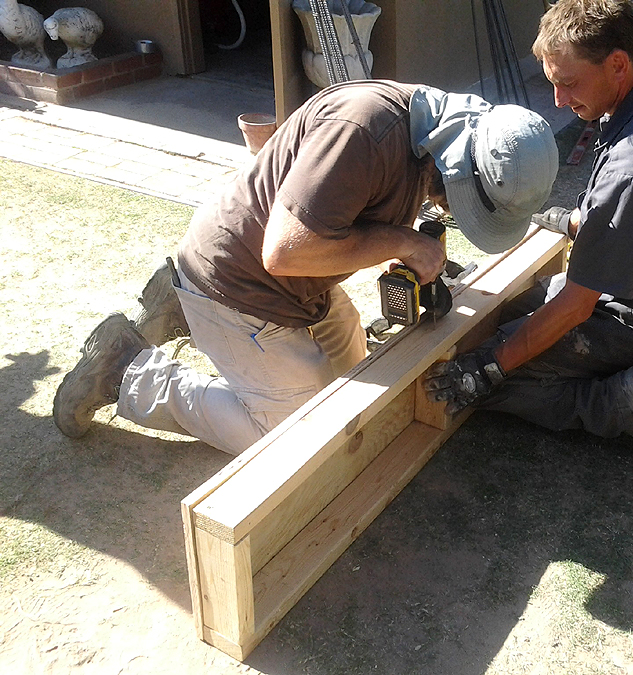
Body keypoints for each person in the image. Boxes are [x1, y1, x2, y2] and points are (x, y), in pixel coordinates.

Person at [53, 79, 559, 455]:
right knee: (292, 441)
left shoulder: (431, 134)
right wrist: (402, 240)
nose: (449, 210)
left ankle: (185, 308)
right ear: (458, 163)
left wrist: (403, 247)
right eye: (460, 202)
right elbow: (284, 253)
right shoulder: (363, 131)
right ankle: (127, 370)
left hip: (300, 286)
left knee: (354, 386)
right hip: (237, 279)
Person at [425, 0, 633, 473]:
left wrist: (490, 367)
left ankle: (621, 401)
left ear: (617, 64)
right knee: (509, 315)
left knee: (489, 376)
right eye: (552, 83)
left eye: (568, 83)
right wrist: (572, 220)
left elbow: (576, 306)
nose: (558, 101)